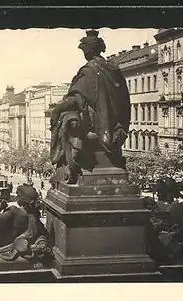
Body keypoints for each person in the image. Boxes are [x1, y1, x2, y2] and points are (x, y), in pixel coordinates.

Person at [49, 29, 131, 185]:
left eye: (84, 49)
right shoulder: (112, 69)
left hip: (97, 126)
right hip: (115, 125)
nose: (84, 53)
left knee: (66, 119)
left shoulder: (89, 71)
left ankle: (72, 166)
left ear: (89, 50)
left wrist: (57, 110)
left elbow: (77, 98)